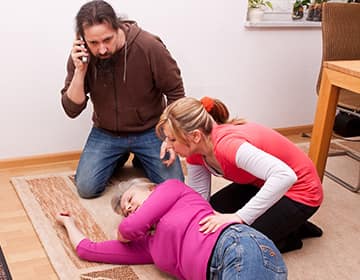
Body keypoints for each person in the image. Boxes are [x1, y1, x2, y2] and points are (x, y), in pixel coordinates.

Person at [155, 96, 324, 253]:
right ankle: (285, 222)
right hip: (260, 183)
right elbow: (199, 199)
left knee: (235, 242)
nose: (168, 145)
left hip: (301, 192)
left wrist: (240, 216)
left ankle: (291, 235)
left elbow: (285, 176)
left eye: (172, 139)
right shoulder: (195, 151)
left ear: (195, 136)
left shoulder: (228, 146)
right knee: (209, 220)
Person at [60, 0, 185, 198]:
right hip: (106, 133)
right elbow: (71, 110)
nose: (101, 49)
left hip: (151, 131)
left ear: (117, 27)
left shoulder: (149, 46)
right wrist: (80, 71)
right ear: (82, 39)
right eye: (93, 43)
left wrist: (170, 136)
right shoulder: (81, 57)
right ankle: (118, 157)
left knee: (175, 187)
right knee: (86, 189)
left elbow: (175, 92)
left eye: (107, 40)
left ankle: (141, 159)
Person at [56, 178, 288, 280]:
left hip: (236, 247)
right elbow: (89, 250)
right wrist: (69, 223)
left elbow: (128, 229)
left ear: (151, 189)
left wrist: (127, 228)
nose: (128, 208)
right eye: (125, 212)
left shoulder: (173, 190)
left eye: (129, 199)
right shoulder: (148, 245)